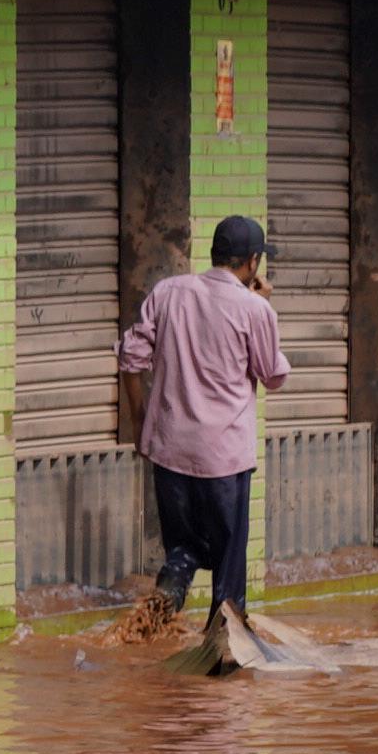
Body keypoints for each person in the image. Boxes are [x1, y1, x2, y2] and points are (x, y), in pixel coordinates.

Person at [121, 214, 293, 663]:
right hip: (224, 461)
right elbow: (272, 375)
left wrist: (140, 422)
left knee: (182, 552)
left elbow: (131, 357)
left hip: (170, 453)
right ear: (252, 262)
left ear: (215, 255)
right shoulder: (255, 310)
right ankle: (223, 658)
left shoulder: (168, 292)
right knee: (228, 572)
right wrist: (262, 309)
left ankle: (158, 608)